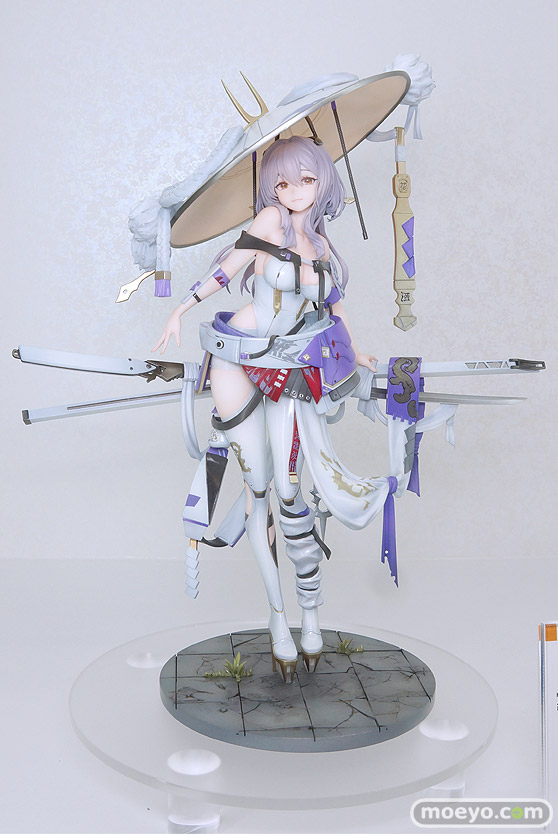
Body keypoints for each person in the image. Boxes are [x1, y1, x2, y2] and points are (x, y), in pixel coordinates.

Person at [154, 136, 403, 682]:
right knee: (260, 488)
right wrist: (180, 309)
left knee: (291, 493)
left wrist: (355, 350)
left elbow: (333, 306)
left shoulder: (320, 242)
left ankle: (310, 614)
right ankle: (277, 619)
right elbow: (228, 268)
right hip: (238, 360)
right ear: (272, 187)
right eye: (283, 182)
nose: (293, 191)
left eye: (306, 180)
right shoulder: (270, 220)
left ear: (323, 182)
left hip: (289, 365)